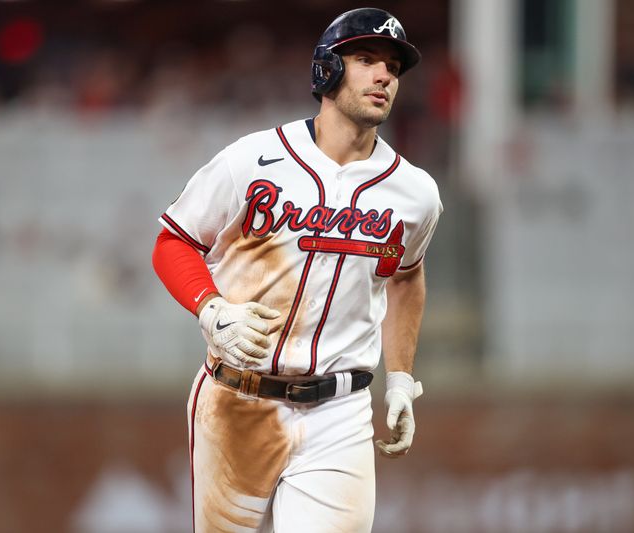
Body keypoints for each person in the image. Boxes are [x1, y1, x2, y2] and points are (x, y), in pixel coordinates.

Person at [152, 8, 442, 532]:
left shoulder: (415, 192)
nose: (383, 76)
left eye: (393, 68)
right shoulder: (253, 158)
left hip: (340, 410)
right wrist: (211, 309)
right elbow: (173, 241)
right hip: (237, 398)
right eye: (365, 59)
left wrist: (400, 379)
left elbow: (406, 275)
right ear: (327, 70)